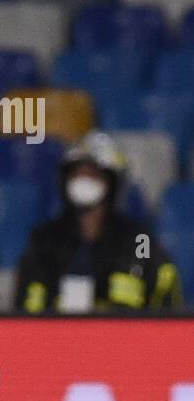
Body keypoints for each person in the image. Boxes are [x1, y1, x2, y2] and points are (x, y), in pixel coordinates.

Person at [16, 131, 182, 313]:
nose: (83, 182)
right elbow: (27, 304)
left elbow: (161, 294)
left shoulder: (138, 239)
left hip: (125, 336)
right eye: (77, 175)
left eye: (92, 175)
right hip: (54, 336)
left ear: (111, 182)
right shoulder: (44, 239)